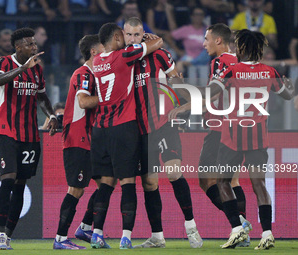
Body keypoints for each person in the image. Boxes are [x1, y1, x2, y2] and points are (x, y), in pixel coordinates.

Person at [173, 29, 294, 249]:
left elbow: (211, 94)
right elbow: (287, 94)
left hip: (233, 137)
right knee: (258, 184)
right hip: (258, 137)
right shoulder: (269, 71)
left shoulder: (231, 70)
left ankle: (237, 228)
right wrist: (291, 89)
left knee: (222, 182)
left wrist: (183, 90)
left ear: (242, 48)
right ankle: (267, 234)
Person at [122, 17, 202, 249]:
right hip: (138, 129)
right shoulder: (122, 59)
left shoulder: (160, 54)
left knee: (174, 172)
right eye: (130, 35)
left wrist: (185, 107)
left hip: (163, 123)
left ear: (143, 35)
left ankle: (191, 228)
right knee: (149, 183)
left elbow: (177, 80)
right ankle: (157, 236)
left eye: (138, 35)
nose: (134, 39)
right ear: (124, 35)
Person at [169, 23, 251, 247]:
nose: (203, 44)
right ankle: (241, 229)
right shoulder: (239, 61)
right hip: (241, 127)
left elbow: (211, 95)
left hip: (221, 129)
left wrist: (182, 95)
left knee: (207, 180)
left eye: (206, 39)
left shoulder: (221, 61)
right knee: (231, 180)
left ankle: (238, 225)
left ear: (218, 40)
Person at [90, 22, 162, 249]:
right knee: (128, 183)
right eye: (123, 35)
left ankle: (96, 234)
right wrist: (152, 37)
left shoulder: (97, 61)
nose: (127, 38)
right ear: (116, 37)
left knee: (105, 185)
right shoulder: (125, 55)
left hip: (100, 129)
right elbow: (157, 44)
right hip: (123, 127)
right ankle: (126, 237)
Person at [0, 27, 58, 250]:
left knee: (20, 185)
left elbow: (42, 97)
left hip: (29, 134)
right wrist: (21, 69)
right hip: (6, 130)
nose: (35, 47)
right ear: (18, 47)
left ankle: (8, 235)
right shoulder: (3, 62)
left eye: (35, 44)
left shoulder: (37, 70)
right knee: (8, 179)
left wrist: (52, 115)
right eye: (30, 44)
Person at [52, 35, 104, 250]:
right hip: (78, 137)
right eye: (103, 48)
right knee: (76, 189)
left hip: (92, 139)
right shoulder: (83, 74)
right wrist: (110, 97)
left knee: (105, 184)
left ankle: (84, 226)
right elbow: (83, 101)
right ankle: (60, 238)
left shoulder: (96, 75)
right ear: (94, 51)